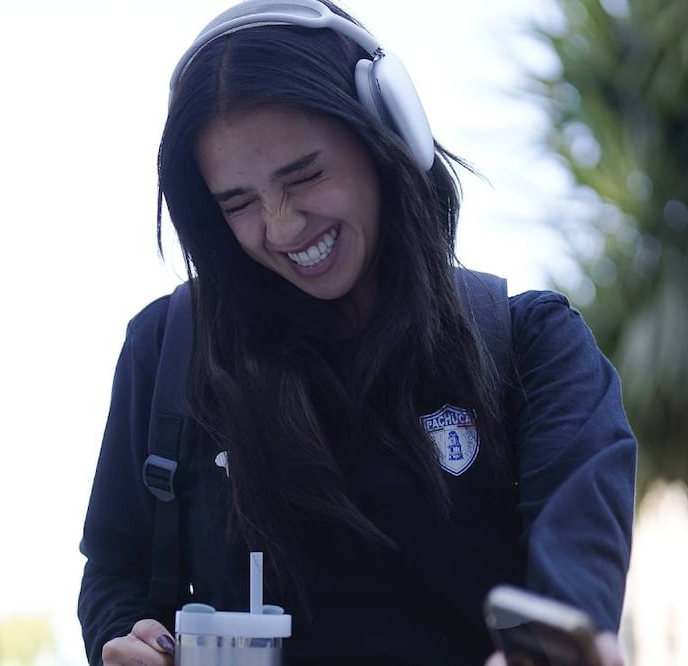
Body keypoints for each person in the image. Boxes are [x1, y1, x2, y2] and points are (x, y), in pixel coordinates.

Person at [77, 1, 636, 664]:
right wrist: (125, 637)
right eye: (238, 203)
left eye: (305, 175)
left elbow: (570, 586)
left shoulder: (532, 348)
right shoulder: (164, 352)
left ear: (386, 134)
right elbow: (114, 576)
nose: (281, 227)